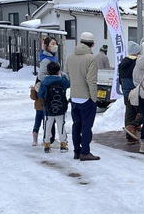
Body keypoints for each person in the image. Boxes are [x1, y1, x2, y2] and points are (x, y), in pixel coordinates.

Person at [65, 32, 100, 161]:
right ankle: (85, 152)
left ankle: (76, 151)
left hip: (74, 96)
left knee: (76, 125)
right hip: (87, 97)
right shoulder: (91, 58)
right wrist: (94, 97)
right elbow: (91, 80)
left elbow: (67, 74)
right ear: (92, 44)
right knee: (86, 126)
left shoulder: (70, 57)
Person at [38, 62, 70, 153]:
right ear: (58, 71)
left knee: (48, 126)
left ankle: (47, 145)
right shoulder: (62, 81)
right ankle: (63, 145)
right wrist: (63, 76)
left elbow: (40, 94)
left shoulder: (45, 82)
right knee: (61, 126)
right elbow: (68, 84)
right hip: (61, 108)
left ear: (47, 71)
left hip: (48, 108)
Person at [119, 41, 144, 144]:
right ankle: (133, 126)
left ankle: (130, 137)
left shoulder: (122, 64)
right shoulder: (137, 63)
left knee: (129, 113)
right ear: (137, 52)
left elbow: (120, 80)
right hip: (136, 92)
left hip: (126, 93)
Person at [36, 36, 58, 144]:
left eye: (55, 43)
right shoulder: (46, 59)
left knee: (52, 114)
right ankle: (49, 138)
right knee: (50, 115)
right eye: (52, 44)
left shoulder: (52, 57)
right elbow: (41, 75)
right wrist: (52, 81)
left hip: (52, 90)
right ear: (47, 46)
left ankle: (50, 138)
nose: (55, 46)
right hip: (49, 90)